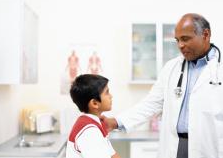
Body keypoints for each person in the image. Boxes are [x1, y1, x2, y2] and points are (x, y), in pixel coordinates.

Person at [101, 13, 223, 158]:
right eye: (177, 40)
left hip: (209, 148)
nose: (180, 45)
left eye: (185, 39)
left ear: (205, 34)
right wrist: (115, 122)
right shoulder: (172, 68)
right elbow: (151, 104)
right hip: (175, 145)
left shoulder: (219, 69)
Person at [66, 74, 121, 158]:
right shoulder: (89, 132)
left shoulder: (96, 123)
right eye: (107, 92)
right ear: (94, 103)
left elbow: (113, 155)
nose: (111, 96)